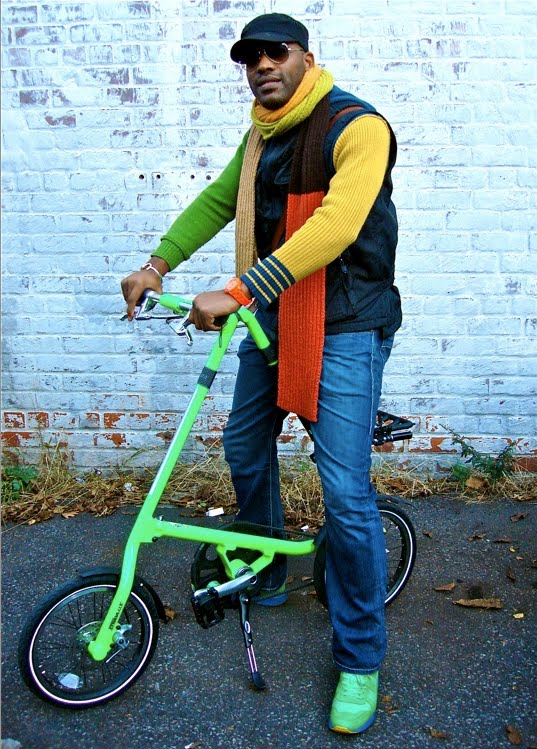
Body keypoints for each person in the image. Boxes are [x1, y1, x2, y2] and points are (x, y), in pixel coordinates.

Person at [121, 13, 401, 735]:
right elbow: (222, 199)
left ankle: (361, 657)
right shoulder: (260, 136)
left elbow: (336, 225)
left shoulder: (358, 127)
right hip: (273, 315)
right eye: (250, 58)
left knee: (344, 492)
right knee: (244, 444)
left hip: (345, 322)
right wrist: (157, 262)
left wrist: (242, 289)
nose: (262, 66)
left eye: (276, 52)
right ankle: (267, 566)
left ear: (306, 57)